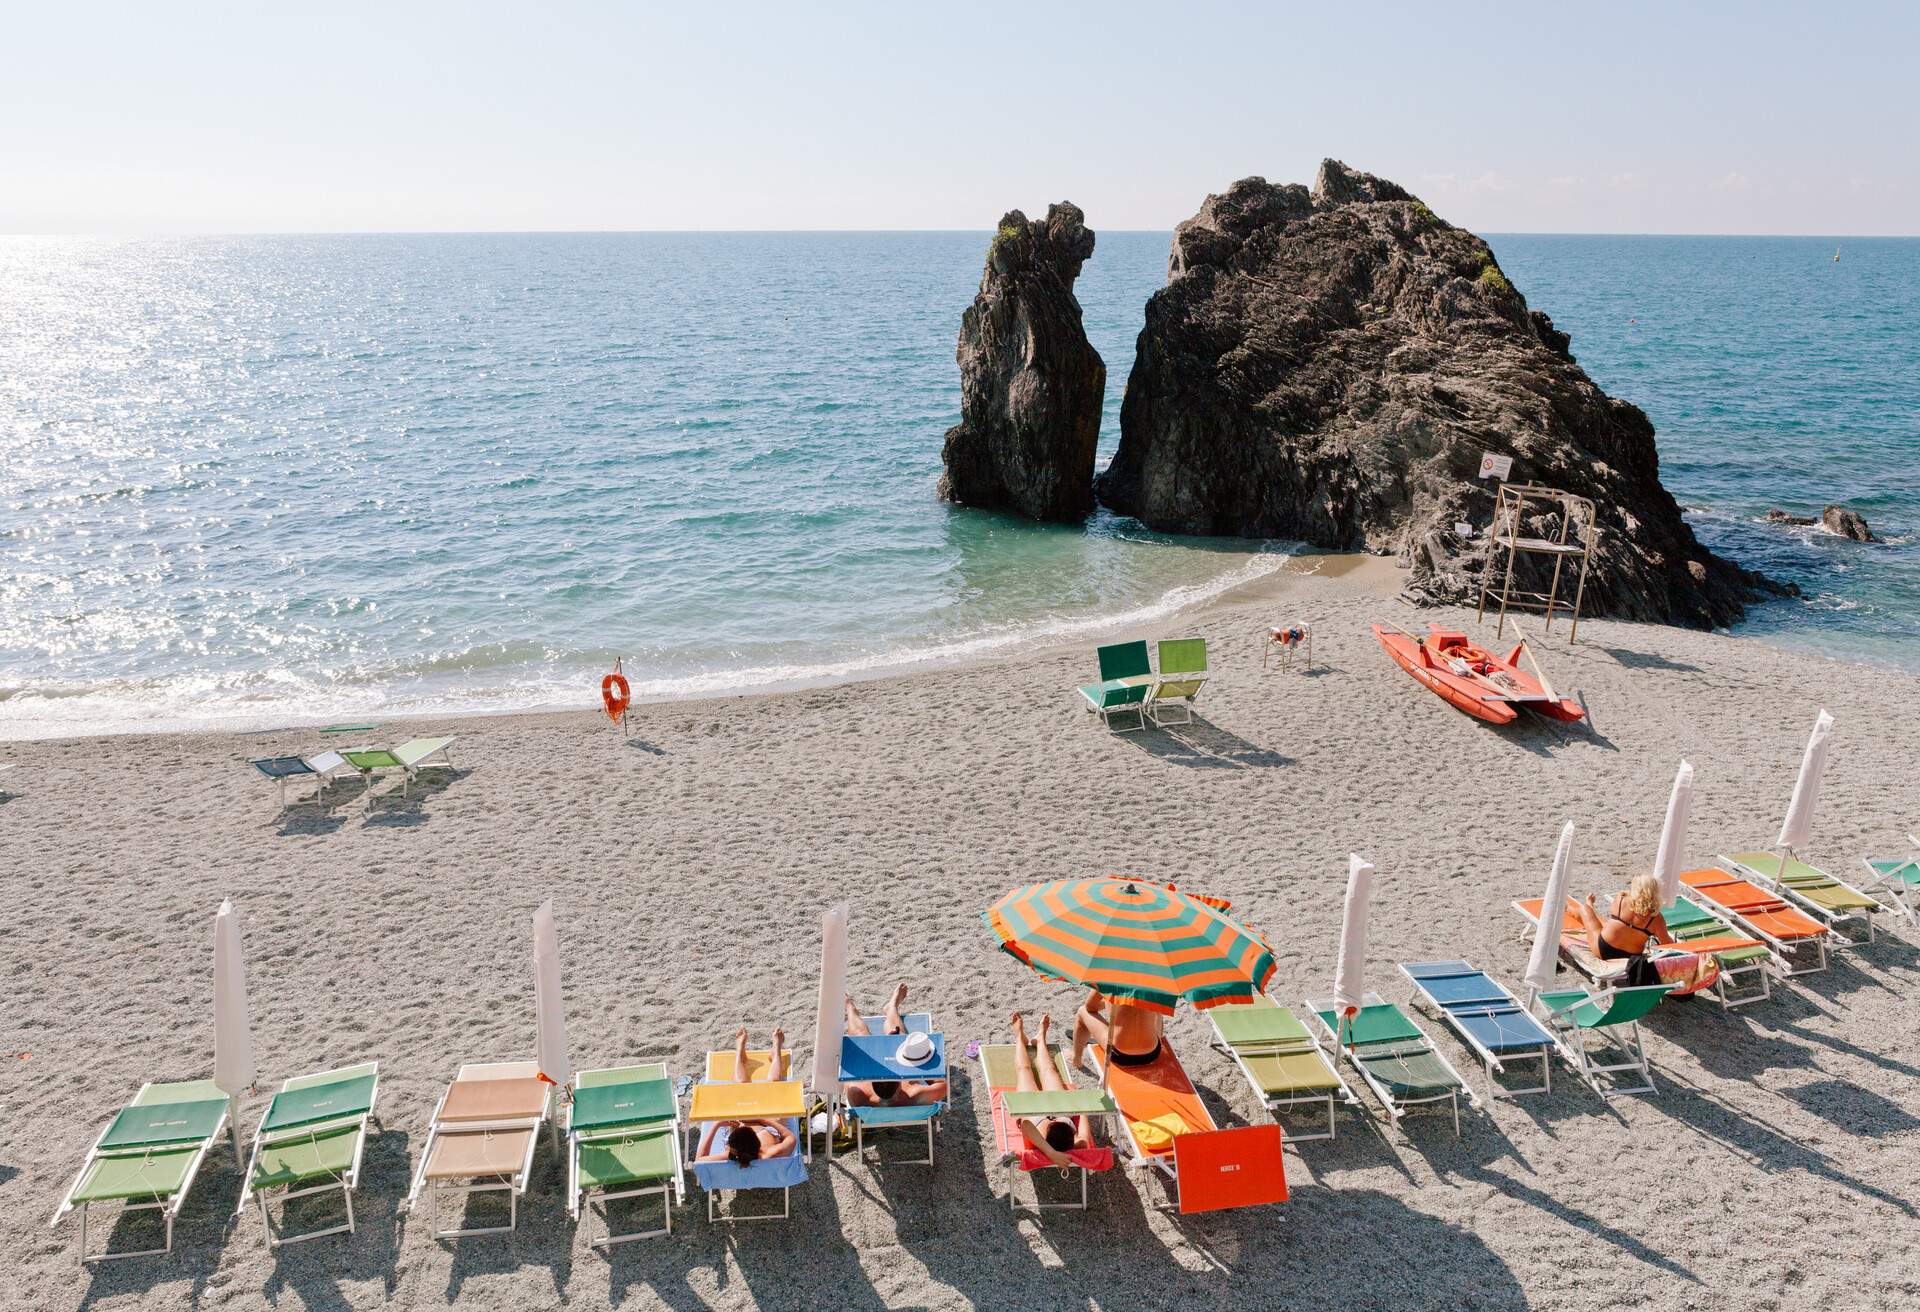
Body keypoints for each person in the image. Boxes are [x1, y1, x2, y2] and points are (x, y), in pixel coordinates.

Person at [696, 1026, 797, 1166]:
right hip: (768, 1127)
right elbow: (791, 1138)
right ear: (757, 1143)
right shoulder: (769, 1154)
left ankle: (739, 1053)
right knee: (773, 1086)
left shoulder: (732, 1156)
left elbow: (699, 1161)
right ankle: (776, 1051)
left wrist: (716, 1125)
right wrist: (761, 1118)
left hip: (741, 1129)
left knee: (741, 1085)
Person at [842, 983, 949, 1108]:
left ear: (872, 1081)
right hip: (906, 1091)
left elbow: (848, 1077)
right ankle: (891, 1007)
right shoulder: (915, 1095)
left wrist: (868, 1066)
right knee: (900, 1038)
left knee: (861, 1037)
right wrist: (920, 1060)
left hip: (871, 1098)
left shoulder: (858, 1095)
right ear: (899, 1082)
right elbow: (942, 1085)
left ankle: (849, 1007)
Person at [1008, 1012, 1093, 1168]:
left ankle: (1019, 1037)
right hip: (1061, 1109)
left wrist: (1050, 1153)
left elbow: (1026, 1124)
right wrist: (1078, 1105)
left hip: (1031, 1110)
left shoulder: (1039, 1136)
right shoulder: (1078, 1143)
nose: (1051, 1120)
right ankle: (1041, 1040)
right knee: (1049, 1071)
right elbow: (1084, 1115)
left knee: (1024, 1069)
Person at [1578, 873, 1675, 961]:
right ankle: (1590, 906)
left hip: (1604, 950)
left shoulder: (1621, 901)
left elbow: (1607, 918)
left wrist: (1625, 894)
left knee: (1585, 909)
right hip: (1631, 958)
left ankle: (1588, 905)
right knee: (1609, 924)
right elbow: (1667, 943)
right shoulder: (1656, 918)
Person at [1070, 986, 1164, 1072]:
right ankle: (1159, 1039)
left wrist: (1111, 1000)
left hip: (1119, 1055)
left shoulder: (1109, 978)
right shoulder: (1152, 980)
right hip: (1152, 1053)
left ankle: (1076, 1060)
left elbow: (1090, 1007)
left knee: (1082, 1011)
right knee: (1157, 1011)